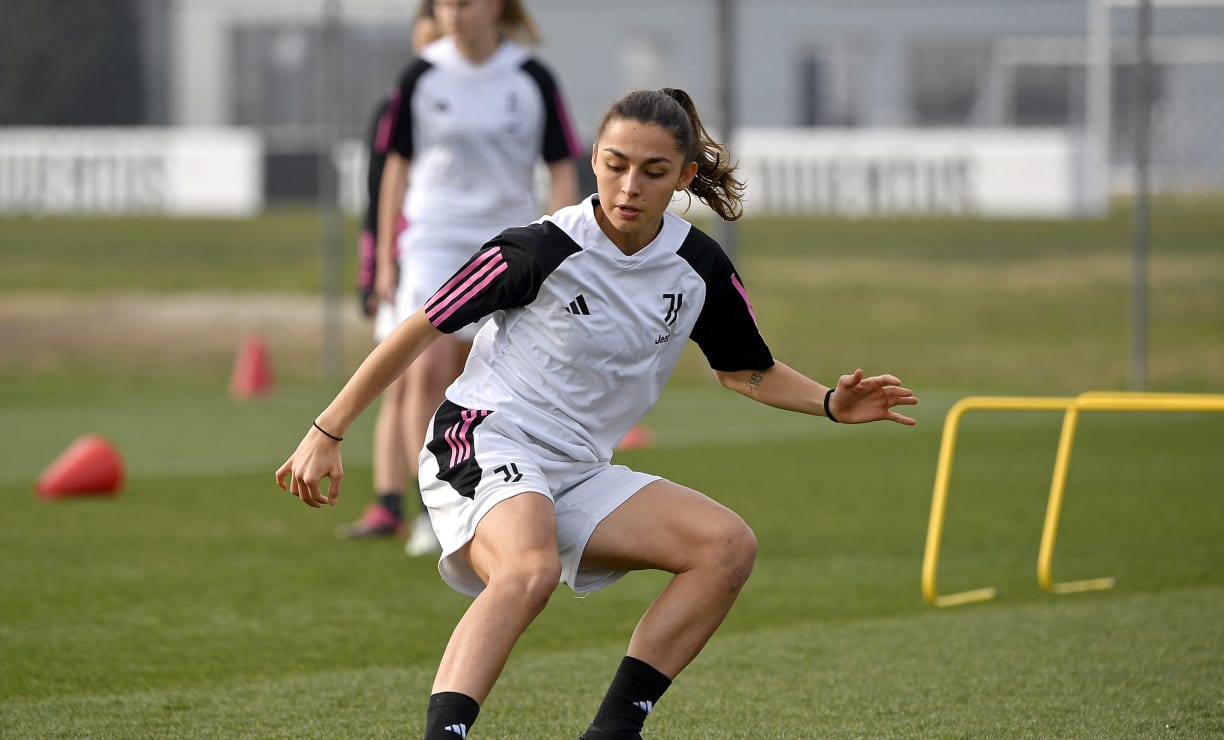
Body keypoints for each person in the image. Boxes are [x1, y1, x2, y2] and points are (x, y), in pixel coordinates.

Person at [276, 88, 918, 740]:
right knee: (529, 570)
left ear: (685, 177)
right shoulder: (538, 249)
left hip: (578, 468)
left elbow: (744, 369)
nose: (629, 185)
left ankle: (612, 733)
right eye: (614, 164)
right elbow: (419, 328)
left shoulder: (698, 266)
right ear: (594, 158)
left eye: (653, 170)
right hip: (482, 438)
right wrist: (327, 430)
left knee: (725, 548)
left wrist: (831, 404)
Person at [340, 0, 583, 555]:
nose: (450, 12)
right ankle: (436, 511)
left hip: (510, 244)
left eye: (463, 2)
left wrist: (560, 244)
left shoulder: (531, 77)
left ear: (494, 6)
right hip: (432, 242)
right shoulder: (422, 74)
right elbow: (394, 166)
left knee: (492, 381)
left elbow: (562, 165)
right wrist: (383, 255)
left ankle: (513, 499)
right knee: (424, 376)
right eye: (442, 3)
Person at [339, 0, 443, 544]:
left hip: (455, 258)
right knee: (404, 383)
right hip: (411, 264)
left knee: (435, 383)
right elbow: (377, 191)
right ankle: (396, 503)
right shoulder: (399, 107)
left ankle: (428, 504)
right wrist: (374, 265)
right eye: (426, 40)